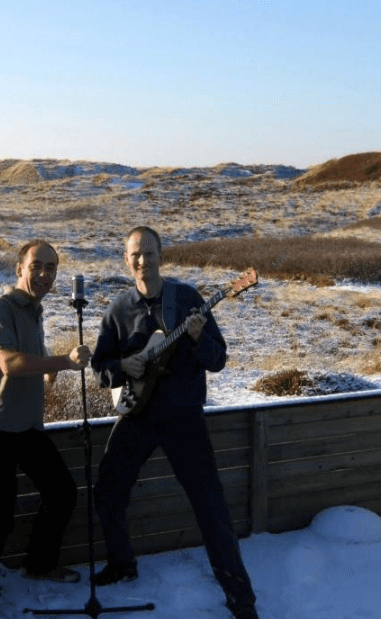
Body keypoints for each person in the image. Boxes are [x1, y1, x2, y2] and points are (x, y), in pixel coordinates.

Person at [90, 226, 260, 619]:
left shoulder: (185, 299)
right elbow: (100, 370)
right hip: (136, 414)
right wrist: (122, 366)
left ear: (161, 255)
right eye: (135, 254)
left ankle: (242, 601)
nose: (142, 261)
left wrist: (198, 339)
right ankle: (122, 564)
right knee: (108, 491)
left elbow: (218, 360)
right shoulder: (118, 310)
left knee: (211, 507)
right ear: (126, 259)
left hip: (183, 418)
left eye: (149, 253)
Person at [0, 239, 91, 619]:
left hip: (28, 427)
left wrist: (47, 370)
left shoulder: (34, 311)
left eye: (51, 268)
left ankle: (39, 564)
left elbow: (25, 357)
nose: (45, 274)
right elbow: (9, 362)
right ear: (20, 269)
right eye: (37, 266)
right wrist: (63, 361)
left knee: (62, 493)